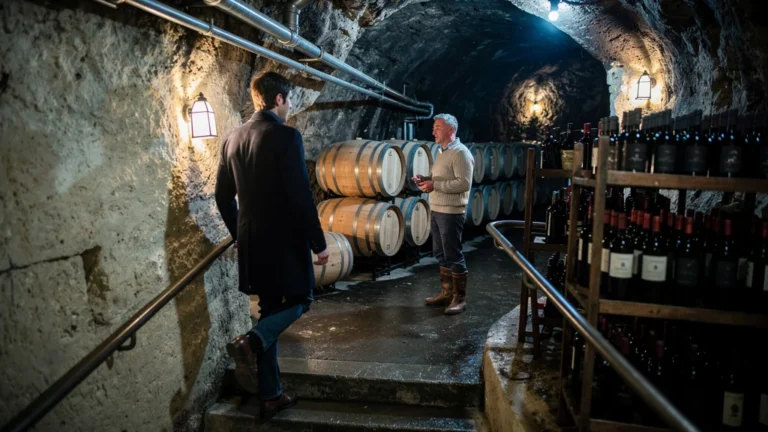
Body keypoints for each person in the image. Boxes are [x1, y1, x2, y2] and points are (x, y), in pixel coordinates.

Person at [215, 71, 329, 417]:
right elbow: (301, 195)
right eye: (289, 100)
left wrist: (240, 234)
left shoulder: (232, 139)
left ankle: (270, 395)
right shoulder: (286, 136)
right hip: (285, 242)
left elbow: (222, 197)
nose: (290, 106)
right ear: (279, 99)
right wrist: (318, 242)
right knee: (302, 299)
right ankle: (251, 341)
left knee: (269, 312)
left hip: (253, 242)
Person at [414, 113, 473, 315]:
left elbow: (463, 184)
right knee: (440, 253)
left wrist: (435, 185)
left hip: (451, 212)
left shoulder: (461, 153)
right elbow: (441, 178)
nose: (433, 131)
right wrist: (426, 179)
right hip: (437, 208)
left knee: (453, 254)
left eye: (438, 128)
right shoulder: (441, 152)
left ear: (451, 130)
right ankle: (447, 293)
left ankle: (460, 299)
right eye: (434, 128)